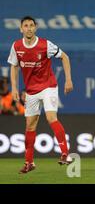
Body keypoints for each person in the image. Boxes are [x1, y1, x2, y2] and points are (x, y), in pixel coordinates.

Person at [8, 16, 74, 174]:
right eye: (26, 25)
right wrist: (14, 88)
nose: (29, 28)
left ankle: (65, 153)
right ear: (21, 29)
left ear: (35, 28)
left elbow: (65, 57)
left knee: (51, 117)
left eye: (31, 25)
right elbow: (14, 67)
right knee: (30, 126)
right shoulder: (16, 46)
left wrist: (68, 80)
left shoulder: (45, 44)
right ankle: (29, 162)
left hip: (48, 86)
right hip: (31, 91)